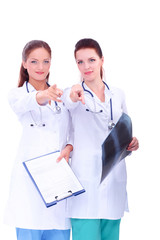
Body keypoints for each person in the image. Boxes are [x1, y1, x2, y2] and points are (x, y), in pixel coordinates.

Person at [62, 38, 139, 240]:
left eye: (91, 60)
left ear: (102, 60)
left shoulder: (118, 94)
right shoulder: (74, 93)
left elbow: (124, 127)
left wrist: (132, 143)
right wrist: (72, 93)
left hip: (114, 177)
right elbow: (67, 102)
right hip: (86, 179)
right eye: (80, 62)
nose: (86, 66)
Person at [4, 40, 73, 240]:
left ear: (51, 64)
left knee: (59, 233)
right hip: (29, 185)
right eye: (34, 62)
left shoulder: (62, 96)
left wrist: (70, 146)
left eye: (45, 61)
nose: (40, 67)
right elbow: (26, 103)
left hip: (59, 180)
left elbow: (71, 133)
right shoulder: (17, 94)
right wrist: (42, 95)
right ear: (24, 63)